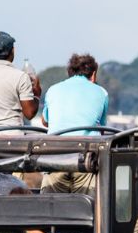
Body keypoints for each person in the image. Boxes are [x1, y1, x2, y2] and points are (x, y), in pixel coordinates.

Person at [39, 52, 109, 194]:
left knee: (50, 210)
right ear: (93, 74)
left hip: (55, 157)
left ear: (69, 72)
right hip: (86, 159)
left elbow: (45, 122)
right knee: (88, 210)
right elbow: (101, 128)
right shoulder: (101, 92)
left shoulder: (53, 90)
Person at [0, 31, 42, 131]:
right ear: (13, 51)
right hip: (12, 136)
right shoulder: (21, 76)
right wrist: (37, 95)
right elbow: (29, 113)